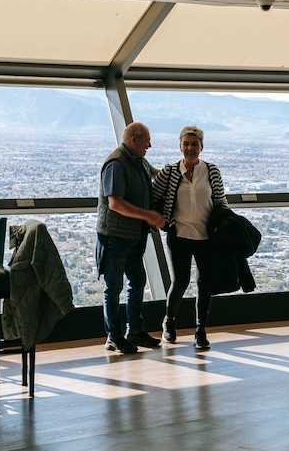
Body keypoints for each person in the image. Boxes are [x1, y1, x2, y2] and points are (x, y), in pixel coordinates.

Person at [152, 126, 228, 350]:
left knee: (205, 283)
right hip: (179, 235)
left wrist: (221, 226)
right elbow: (155, 198)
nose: (190, 148)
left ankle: (200, 330)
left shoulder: (211, 171)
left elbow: (221, 202)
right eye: (186, 144)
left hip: (206, 237)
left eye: (194, 144)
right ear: (180, 146)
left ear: (202, 147)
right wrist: (165, 224)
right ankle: (169, 321)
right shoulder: (170, 171)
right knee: (180, 281)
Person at [96, 122, 168, 354]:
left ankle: (135, 330)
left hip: (134, 236)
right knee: (113, 287)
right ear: (134, 140)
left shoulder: (138, 160)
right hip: (115, 236)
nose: (150, 145)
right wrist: (148, 214)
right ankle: (114, 336)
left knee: (137, 282)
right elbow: (115, 203)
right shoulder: (116, 164)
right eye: (146, 140)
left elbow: (156, 173)